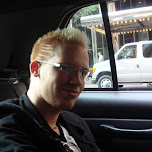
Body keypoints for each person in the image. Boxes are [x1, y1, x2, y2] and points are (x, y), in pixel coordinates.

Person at [0, 28, 100, 152]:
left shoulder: (75, 122)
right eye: (67, 68)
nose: (78, 81)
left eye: (83, 73)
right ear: (36, 69)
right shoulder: (9, 128)